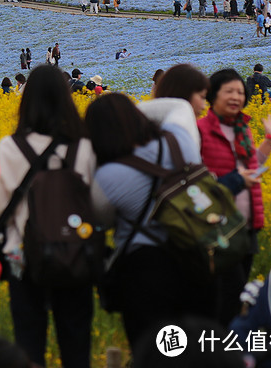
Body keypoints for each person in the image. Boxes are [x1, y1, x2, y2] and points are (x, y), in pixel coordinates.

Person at [86, 91, 215, 349]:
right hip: (197, 256)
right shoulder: (180, 139)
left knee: (154, 352)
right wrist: (133, 110)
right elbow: (178, 105)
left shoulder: (108, 175)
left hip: (144, 271)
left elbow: (101, 220)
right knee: (200, 349)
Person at [0, 65, 96, 368]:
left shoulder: (10, 148)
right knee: (76, 347)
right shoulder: (83, 147)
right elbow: (99, 207)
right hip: (75, 255)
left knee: (29, 347)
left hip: (24, 261)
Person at [199, 68, 271, 324]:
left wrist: (270, 141)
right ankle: (217, 352)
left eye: (239, 92)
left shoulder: (242, 129)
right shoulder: (201, 130)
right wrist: (236, 180)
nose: (236, 97)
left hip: (248, 225)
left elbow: (251, 168)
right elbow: (198, 182)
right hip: (220, 228)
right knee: (227, 294)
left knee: (237, 294)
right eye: (229, 91)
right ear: (213, 95)